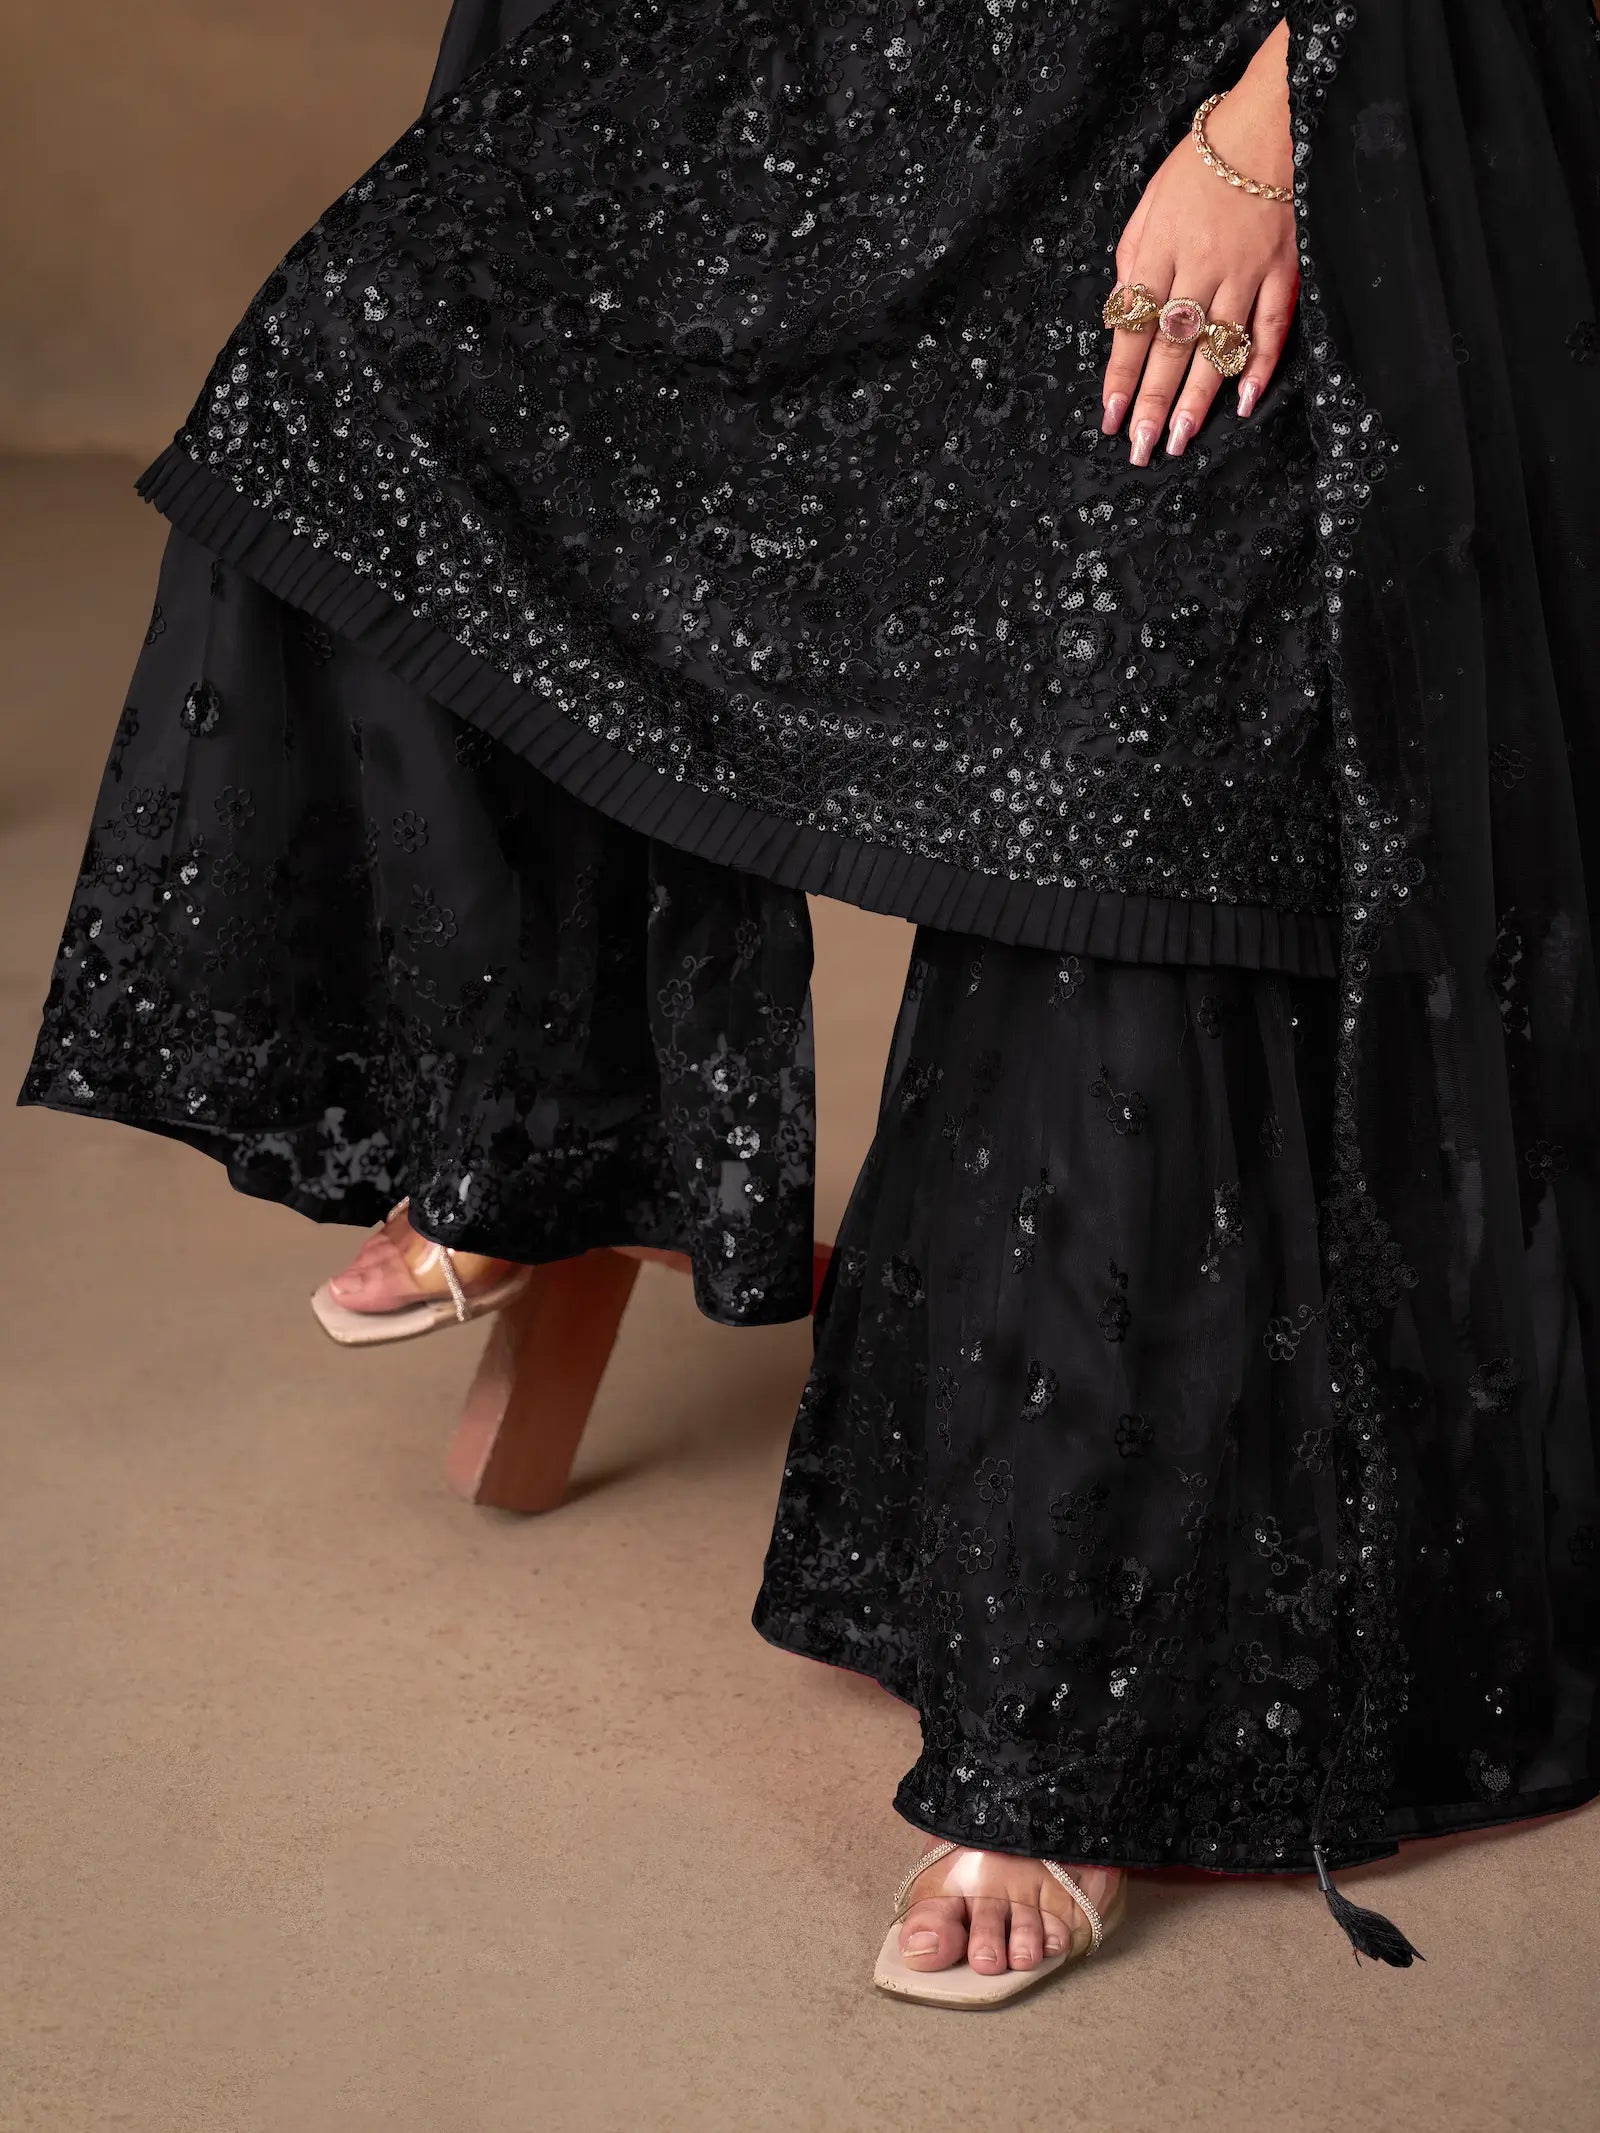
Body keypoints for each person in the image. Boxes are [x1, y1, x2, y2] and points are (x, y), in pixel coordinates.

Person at [22, 0, 1600, 2006]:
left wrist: (1266, 133)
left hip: (1283, 86)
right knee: (370, 346)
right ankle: (534, 1107)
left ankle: (1069, 1690)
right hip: (890, 52)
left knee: (1113, 745)